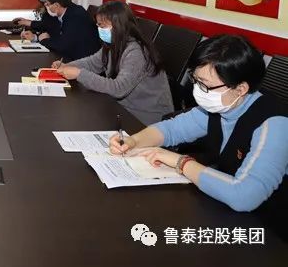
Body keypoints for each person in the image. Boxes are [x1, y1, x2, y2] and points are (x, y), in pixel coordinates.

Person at [109, 35, 287, 239]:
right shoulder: (222, 107)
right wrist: (133, 141)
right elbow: (171, 129)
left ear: (240, 89)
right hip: (228, 212)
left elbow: (244, 196)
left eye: (205, 85)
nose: (198, 90)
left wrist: (181, 162)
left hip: (271, 229)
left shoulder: (274, 124)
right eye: (196, 80)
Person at [53, 0, 172, 125]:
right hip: (122, 108)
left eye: (102, 26)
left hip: (145, 118)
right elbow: (92, 63)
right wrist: (68, 66)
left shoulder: (137, 52)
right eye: (98, 26)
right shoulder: (114, 44)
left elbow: (119, 88)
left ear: (118, 25)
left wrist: (79, 74)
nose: (99, 30)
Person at [22, 0, 99, 61]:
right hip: (71, 56)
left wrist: (43, 40)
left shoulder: (76, 16)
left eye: (47, 4)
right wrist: (36, 38)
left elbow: (62, 45)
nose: (45, 6)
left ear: (56, 5)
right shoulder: (67, 11)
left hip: (82, 62)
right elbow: (55, 34)